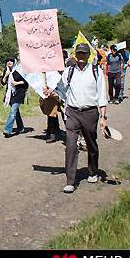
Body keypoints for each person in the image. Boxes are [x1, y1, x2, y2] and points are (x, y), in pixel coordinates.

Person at [45, 43, 107, 194]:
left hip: (90, 112)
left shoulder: (96, 71)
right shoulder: (69, 71)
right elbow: (61, 91)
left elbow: (102, 96)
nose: (81, 57)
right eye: (78, 53)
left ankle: (93, 171)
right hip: (72, 113)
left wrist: (103, 117)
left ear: (88, 55)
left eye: (83, 54)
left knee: (91, 144)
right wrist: (51, 92)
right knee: (71, 146)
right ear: (75, 55)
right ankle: (70, 181)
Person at [1, 58, 29, 138]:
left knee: (13, 111)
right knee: (15, 112)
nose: (9, 62)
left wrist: (17, 83)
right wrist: (6, 75)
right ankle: (21, 128)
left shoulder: (19, 70)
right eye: (8, 61)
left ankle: (7, 130)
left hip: (19, 93)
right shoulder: (6, 70)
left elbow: (26, 82)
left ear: (14, 62)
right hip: (10, 94)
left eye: (11, 61)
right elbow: (3, 82)